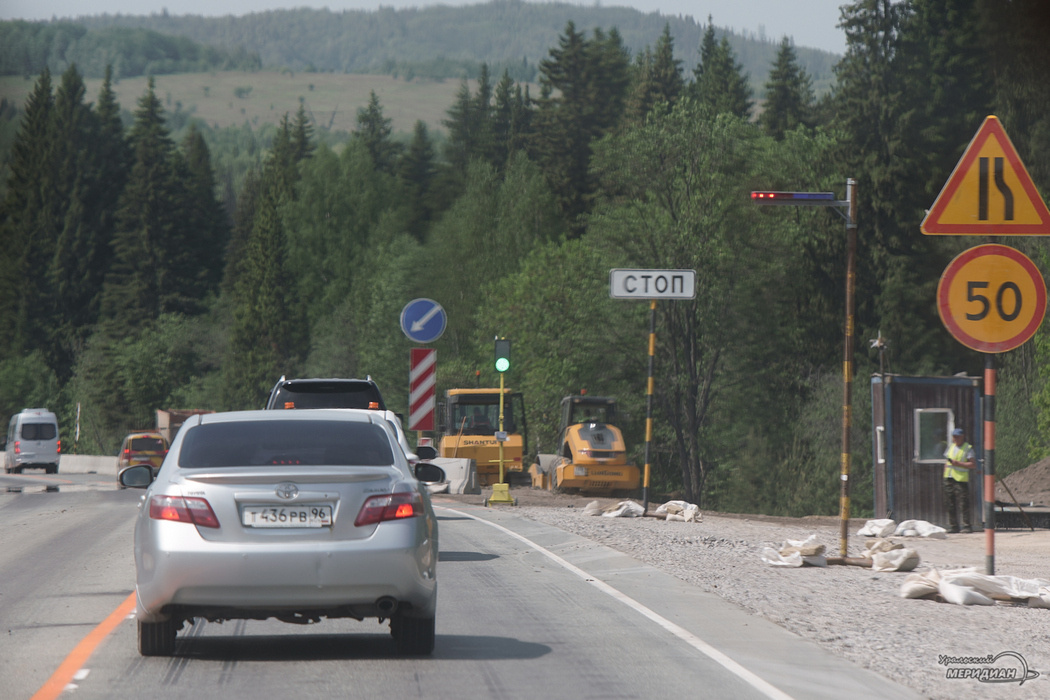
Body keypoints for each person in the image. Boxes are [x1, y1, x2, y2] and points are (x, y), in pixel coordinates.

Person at [942, 427, 977, 533]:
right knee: (950, 503)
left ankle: (967, 526)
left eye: (958, 437)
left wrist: (959, 464)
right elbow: (947, 462)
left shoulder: (968, 448)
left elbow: (972, 464)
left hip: (960, 480)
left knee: (963, 503)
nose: (956, 439)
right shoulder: (951, 447)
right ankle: (953, 526)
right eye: (954, 437)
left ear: (962, 437)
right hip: (949, 478)